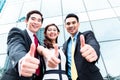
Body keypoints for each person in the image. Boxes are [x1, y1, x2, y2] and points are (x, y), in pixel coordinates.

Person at [1, 10, 45, 80]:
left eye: (39, 20)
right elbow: (15, 47)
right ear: (26, 21)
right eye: (33, 19)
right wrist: (22, 60)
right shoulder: (17, 32)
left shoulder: (39, 43)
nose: (36, 22)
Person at [62, 13, 104, 80]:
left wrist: (93, 51)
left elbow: (93, 44)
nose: (71, 25)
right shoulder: (65, 45)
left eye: (73, 23)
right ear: (65, 26)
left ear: (78, 24)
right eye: (68, 23)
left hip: (89, 77)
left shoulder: (87, 35)